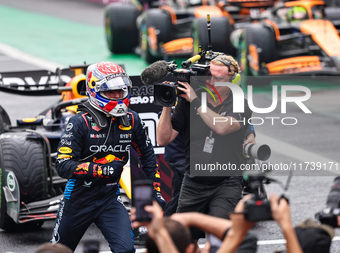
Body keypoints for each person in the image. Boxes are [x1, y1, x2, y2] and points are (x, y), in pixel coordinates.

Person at [51, 61, 165, 252]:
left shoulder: (132, 119)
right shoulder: (79, 123)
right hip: (77, 199)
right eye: (111, 92)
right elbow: (62, 165)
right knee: (58, 250)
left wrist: (156, 190)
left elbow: (147, 155)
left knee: (126, 250)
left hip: (109, 199)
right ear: (95, 91)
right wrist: (100, 170)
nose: (118, 96)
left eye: (121, 90)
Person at [157, 55, 253, 240]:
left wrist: (195, 101)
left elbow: (222, 127)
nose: (211, 82)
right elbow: (163, 139)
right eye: (209, 76)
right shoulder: (188, 103)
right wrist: (167, 104)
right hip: (193, 181)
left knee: (220, 237)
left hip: (226, 182)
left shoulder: (240, 103)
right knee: (182, 239)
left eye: (219, 79)